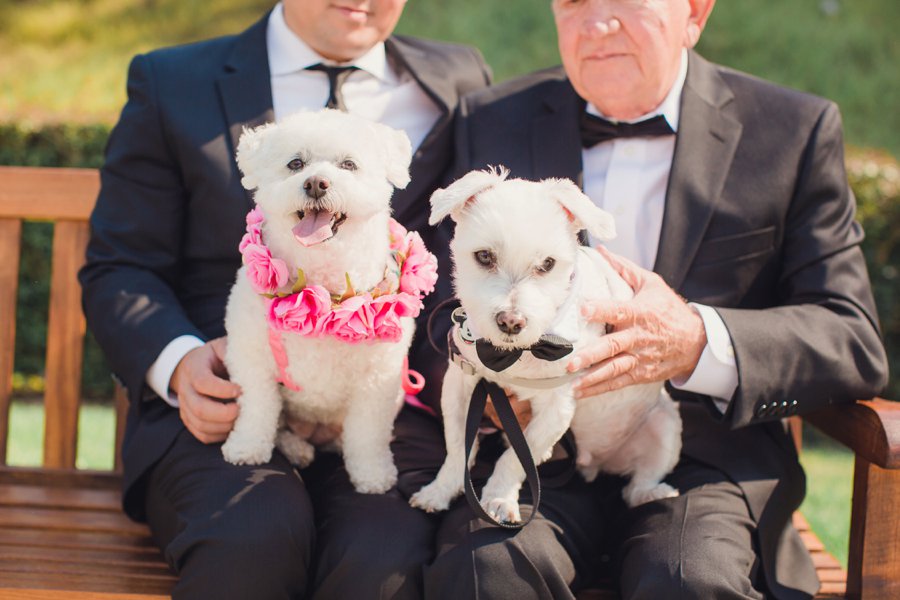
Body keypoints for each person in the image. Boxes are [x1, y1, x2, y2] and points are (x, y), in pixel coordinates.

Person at [418, 0, 889, 598]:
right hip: (527, 439)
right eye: (575, 2)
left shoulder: (792, 128)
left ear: (694, 13)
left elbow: (850, 338)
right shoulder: (487, 118)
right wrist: (477, 373)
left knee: (689, 581)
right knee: (486, 572)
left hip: (695, 452)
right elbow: (428, 287)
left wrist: (697, 341)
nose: (598, 22)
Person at [78, 1, 490, 598]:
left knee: (389, 557)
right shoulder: (172, 81)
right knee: (253, 537)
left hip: (383, 402)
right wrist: (178, 361)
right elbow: (120, 264)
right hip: (230, 399)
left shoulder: (458, 79)